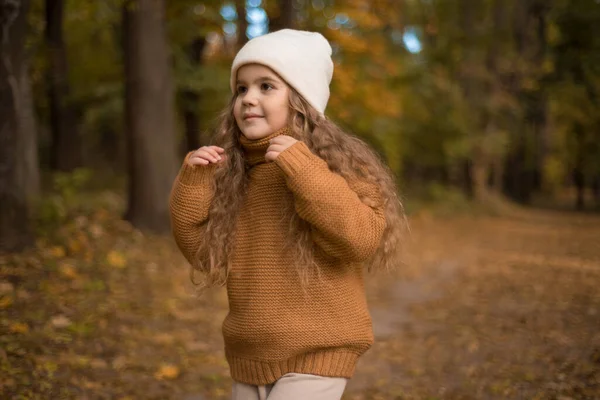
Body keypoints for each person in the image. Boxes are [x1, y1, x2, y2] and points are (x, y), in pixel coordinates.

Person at [169, 29, 405, 400]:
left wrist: (303, 169)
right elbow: (204, 256)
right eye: (241, 89)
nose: (248, 99)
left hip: (319, 349)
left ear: (301, 101)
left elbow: (360, 238)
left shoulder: (334, 167)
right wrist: (195, 184)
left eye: (266, 86)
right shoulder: (235, 175)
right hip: (249, 355)